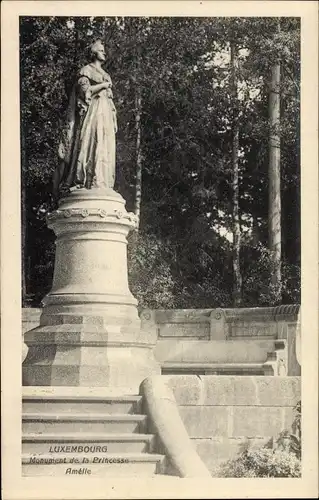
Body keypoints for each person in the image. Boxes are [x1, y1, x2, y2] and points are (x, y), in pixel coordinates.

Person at [53, 40, 117, 198]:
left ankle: (101, 180)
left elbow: (111, 101)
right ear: (94, 53)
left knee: (104, 147)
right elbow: (85, 92)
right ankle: (87, 180)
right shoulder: (86, 71)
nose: (104, 53)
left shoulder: (106, 75)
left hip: (106, 115)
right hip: (93, 113)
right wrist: (103, 86)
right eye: (101, 50)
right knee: (90, 143)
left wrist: (114, 118)